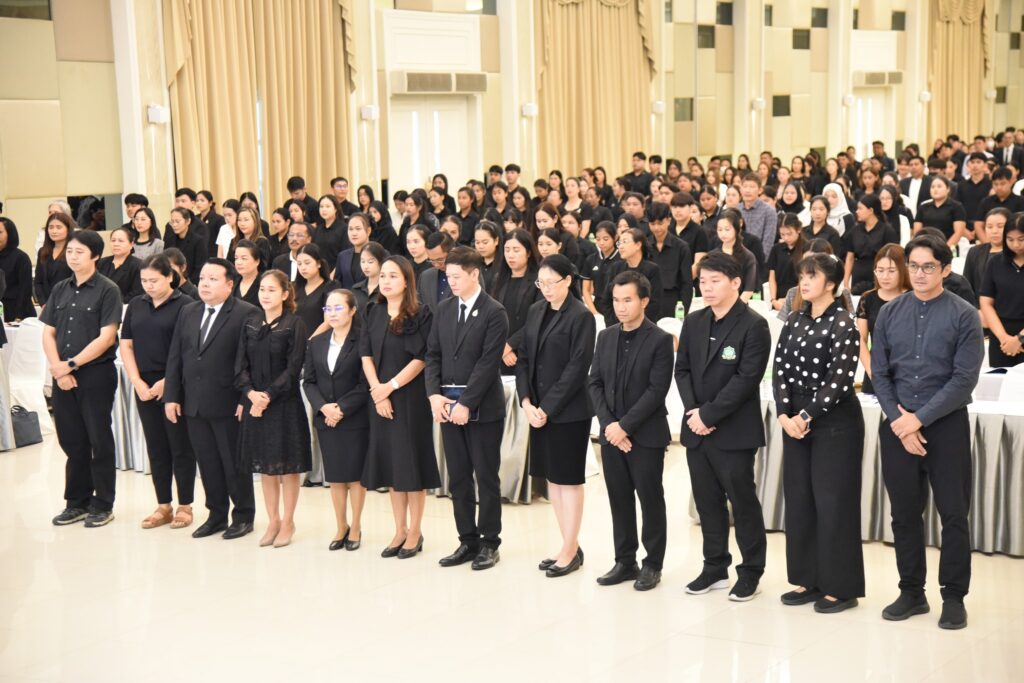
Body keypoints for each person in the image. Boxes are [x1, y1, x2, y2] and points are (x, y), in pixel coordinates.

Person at [871, 233, 983, 630]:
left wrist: (917, 420)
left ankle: (953, 596)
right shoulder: (889, 313)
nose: (919, 274)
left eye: (928, 267)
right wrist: (900, 421)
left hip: (946, 424)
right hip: (897, 424)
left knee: (953, 514)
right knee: (903, 514)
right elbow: (880, 374)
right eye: (914, 266)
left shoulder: (965, 315)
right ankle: (912, 592)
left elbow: (964, 379)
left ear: (945, 269)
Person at [675, 251, 771, 601]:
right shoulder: (694, 321)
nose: (707, 287)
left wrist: (708, 416)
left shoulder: (754, 325)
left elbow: (746, 379)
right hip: (697, 428)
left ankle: (751, 571)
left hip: (734, 431)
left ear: (735, 283)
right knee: (707, 502)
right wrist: (695, 413)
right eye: (703, 281)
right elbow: (682, 369)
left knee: (742, 503)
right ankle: (714, 566)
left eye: (715, 281)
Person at [773, 253, 865, 613]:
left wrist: (806, 414)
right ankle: (807, 578)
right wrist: (784, 414)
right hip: (795, 421)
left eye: (813, 276)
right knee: (800, 500)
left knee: (833, 502)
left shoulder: (844, 322)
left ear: (832, 284)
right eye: (802, 275)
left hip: (834, 422)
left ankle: (841, 587)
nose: (805, 282)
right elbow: (780, 368)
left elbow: (841, 380)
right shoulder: (795, 319)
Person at [164, 258, 262, 540]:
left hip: (230, 403)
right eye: (202, 278)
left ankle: (243, 515)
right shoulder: (189, 311)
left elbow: (253, 362)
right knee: (207, 463)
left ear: (229, 285)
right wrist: (172, 396)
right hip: (194, 402)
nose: (205, 284)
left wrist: (245, 399)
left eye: (213, 279)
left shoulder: (246, 313)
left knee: (234, 464)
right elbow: (176, 355)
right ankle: (216, 514)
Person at [588, 271, 673, 591]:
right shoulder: (606, 336)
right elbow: (595, 382)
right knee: (619, 498)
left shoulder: (660, 339)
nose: (621, 307)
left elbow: (656, 390)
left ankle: (652, 564)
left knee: (650, 499)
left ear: (644, 301)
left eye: (628, 300)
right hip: (611, 434)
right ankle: (625, 560)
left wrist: (624, 427)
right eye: (616, 300)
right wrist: (610, 426)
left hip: (646, 435)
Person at [425, 246, 508, 571]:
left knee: (485, 476)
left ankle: (489, 542)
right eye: (448, 277)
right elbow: (433, 355)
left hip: (483, 408)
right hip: (447, 406)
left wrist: (467, 403)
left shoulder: (494, 312)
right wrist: (434, 395)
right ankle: (467, 539)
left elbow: (488, 363)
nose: (452, 282)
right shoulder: (444, 308)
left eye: (457, 277)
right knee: (458, 477)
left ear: (475, 274)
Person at [516, 254, 596, 578]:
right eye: (542, 283)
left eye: (552, 282)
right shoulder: (536, 310)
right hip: (537, 409)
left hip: (569, 412)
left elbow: (577, 368)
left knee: (569, 480)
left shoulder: (581, 316)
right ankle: (569, 545)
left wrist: (547, 408)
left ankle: (569, 549)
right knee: (553, 480)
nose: (546, 289)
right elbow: (524, 358)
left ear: (568, 280)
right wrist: (525, 401)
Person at [360, 255, 439, 559]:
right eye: (383, 275)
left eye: (393, 276)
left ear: (407, 280)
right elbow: (365, 355)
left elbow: (422, 359)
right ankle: (399, 529)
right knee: (392, 466)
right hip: (380, 399)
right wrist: (378, 393)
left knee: (411, 465)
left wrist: (390, 387)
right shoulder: (373, 310)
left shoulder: (421, 313)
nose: (386, 281)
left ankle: (415, 531)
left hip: (409, 399)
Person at [43, 230, 123, 528]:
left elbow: (107, 337)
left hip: (95, 373)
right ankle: (77, 502)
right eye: (70, 251)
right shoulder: (60, 288)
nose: (72, 257)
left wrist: (71, 365)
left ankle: (103, 504)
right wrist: (58, 368)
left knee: (98, 439)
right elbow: (48, 332)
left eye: (79, 252)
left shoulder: (108, 290)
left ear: (95, 256)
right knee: (72, 440)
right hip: (63, 374)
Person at [119, 254, 196, 529]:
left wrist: (168, 381)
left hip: (175, 383)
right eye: (144, 281)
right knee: (156, 446)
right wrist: (136, 381)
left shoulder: (186, 305)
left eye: (154, 280)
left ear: (170, 277)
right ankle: (164, 505)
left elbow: (190, 349)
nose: (148, 286)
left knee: (180, 446)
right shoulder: (136, 305)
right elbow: (126, 344)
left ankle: (185, 505)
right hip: (144, 384)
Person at [236, 270, 310, 548]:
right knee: (265, 467)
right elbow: (240, 364)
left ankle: (288, 521)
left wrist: (267, 395)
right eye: (262, 289)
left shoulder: (294, 323)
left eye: (271, 290)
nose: (265, 295)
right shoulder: (250, 321)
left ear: (285, 294)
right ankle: (273, 521)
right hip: (255, 402)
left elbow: (294, 368)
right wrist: (250, 394)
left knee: (287, 466)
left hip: (283, 403)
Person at [304, 289, 368, 551]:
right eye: (328, 308)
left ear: (352, 310)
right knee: (336, 476)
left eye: (338, 308)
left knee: (355, 476)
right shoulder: (316, 342)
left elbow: (365, 383)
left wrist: (340, 408)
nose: (332, 313)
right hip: (326, 418)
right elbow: (309, 382)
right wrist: (323, 407)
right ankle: (341, 525)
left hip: (354, 418)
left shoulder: (363, 340)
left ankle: (356, 525)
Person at [856, 244, 910, 395]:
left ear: (903, 270)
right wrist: (872, 373)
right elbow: (861, 340)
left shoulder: (913, 297)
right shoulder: (867, 298)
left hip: (908, 374)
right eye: (880, 270)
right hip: (876, 370)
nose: (885, 276)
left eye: (891, 271)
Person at [979, 213, 1024, 368]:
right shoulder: (995, 262)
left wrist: (1019, 339)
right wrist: (1004, 338)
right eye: (1010, 239)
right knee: (999, 379)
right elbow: (986, 302)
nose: (1016, 245)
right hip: (1000, 335)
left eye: (1021, 239)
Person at [600, 228, 663, 320]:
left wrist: (636, 322)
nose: (620, 246)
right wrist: (617, 322)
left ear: (638, 245)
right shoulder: (616, 268)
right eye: (619, 243)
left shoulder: (652, 269)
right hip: (618, 323)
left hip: (644, 323)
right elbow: (606, 300)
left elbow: (654, 303)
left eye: (625, 242)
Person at [843, 194, 900, 295]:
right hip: (858, 274)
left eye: (860, 208)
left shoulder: (887, 231)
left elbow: (895, 257)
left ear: (871, 210)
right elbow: (850, 258)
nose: (857, 211)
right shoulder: (855, 230)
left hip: (879, 273)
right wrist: (846, 283)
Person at [646, 202, 693, 318]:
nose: (656, 228)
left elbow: (686, 282)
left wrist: (683, 310)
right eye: (652, 224)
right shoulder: (644, 246)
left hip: (673, 300)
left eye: (660, 223)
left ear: (668, 221)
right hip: (649, 301)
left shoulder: (682, 247)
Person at [709, 209, 758, 301]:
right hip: (717, 302)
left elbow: (749, 289)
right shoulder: (712, 255)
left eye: (727, 229)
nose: (723, 233)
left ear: (736, 229)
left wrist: (736, 307)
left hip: (740, 304)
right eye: (720, 229)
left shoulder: (747, 256)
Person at [294, 244, 340, 335]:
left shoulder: (330, 286)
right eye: (299, 264)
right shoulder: (294, 287)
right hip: (294, 339)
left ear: (318, 263)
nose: (303, 267)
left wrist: (311, 340)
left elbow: (328, 321)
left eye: (307, 263)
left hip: (319, 339)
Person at [963, 208, 1008, 296]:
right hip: (977, 303)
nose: (994, 231)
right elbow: (966, 285)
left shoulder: (1017, 253)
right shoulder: (974, 251)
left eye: (1000, 226)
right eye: (989, 227)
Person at [768, 214, 809, 310]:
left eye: (789, 234)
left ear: (798, 230)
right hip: (778, 298)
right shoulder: (776, 249)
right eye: (782, 234)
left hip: (800, 298)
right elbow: (772, 277)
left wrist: (790, 299)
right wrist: (773, 300)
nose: (786, 238)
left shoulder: (807, 248)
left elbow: (806, 278)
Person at [34, 212, 74, 307]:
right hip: (47, 305)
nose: (54, 231)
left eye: (59, 227)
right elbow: (38, 281)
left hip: (68, 304)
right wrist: (43, 303)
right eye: (51, 227)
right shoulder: (43, 252)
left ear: (68, 229)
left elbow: (76, 282)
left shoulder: (73, 252)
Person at [913, 176, 967, 247]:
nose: (935, 189)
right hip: (925, 246)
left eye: (939, 186)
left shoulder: (957, 207)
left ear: (948, 189)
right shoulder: (923, 207)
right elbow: (917, 232)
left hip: (949, 246)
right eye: (932, 187)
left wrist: (945, 248)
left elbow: (958, 232)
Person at [0, 218, 35, 320]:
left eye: (0, 232)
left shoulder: (21, 257)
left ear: (10, 234)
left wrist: (18, 316)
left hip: (16, 311)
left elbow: (25, 290)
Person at [581, 221, 619, 316]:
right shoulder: (591, 259)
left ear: (615, 238)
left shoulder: (622, 258)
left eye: (606, 239)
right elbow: (586, 289)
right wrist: (594, 312)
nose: (601, 243)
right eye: (598, 239)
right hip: (597, 306)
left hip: (616, 306)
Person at [163, 207, 209, 284]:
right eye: (172, 222)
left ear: (188, 221)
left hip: (191, 283)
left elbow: (200, 267)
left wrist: (186, 284)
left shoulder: (198, 241)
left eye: (177, 221)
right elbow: (165, 263)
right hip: (171, 282)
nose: (174, 225)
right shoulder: (169, 240)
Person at [97, 226, 144, 301]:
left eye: (121, 241)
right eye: (113, 240)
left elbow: (137, 293)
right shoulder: (102, 262)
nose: (116, 244)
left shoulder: (139, 265)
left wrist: (116, 303)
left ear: (131, 244)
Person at [737, 173, 776, 261]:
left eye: (752, 187)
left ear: (760, 190)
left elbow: (768, 242)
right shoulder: (736, 209)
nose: (747, 190)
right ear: (740, 189)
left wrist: (760, 262)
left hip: (758, 260)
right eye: (745, 186)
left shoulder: (769, 211)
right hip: (737, 258)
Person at [415, 231, 453, 315]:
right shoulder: (425, 277)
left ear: (452, 251)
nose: (436, 265)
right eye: (432, 260)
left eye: (440, 260)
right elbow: (418, 308)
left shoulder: (467, 274)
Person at [334, 212, 371, 289]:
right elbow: (338, 284)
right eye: (350, 229)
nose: (354, 233)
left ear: (368, 231)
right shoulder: (342, 256)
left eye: (358, 229)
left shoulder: (379, 254)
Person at [271, 220, 313, 286]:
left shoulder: (313, 262)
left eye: (299, 235)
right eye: (291, 235)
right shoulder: (278, 262)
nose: (294, 238)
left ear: (309, 239)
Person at [314, 195, 351, 266]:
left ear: (335, 209)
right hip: (320, 269)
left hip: (338, 269)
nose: (324, 209)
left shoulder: (344, 229)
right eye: (321, 206)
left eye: (328, 206)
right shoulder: (318, 229)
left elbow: (345, 254)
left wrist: (335, 271)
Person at [232, 240, 263, 307]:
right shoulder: (232, 282)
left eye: (244, 258)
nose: (238, 262)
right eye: (236, 258)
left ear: (257, 261)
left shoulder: (264, 282)